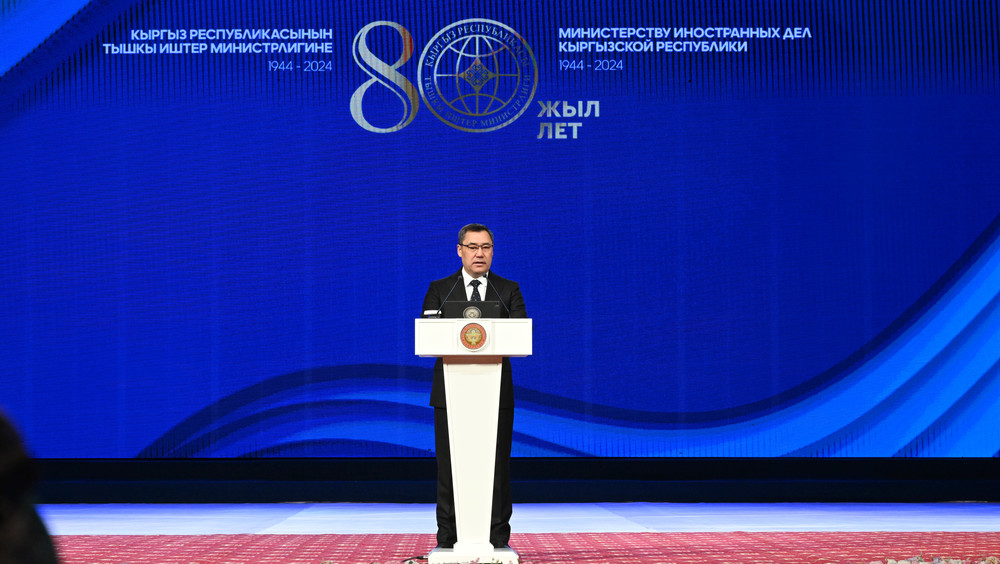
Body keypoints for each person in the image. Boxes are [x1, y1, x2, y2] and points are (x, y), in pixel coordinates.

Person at [421, 223, 527, 549]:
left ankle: (497, 537)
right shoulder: (441, 289)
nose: (479, 254)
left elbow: (520, 334)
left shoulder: (508, 289)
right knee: (450, 466)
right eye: (472, 247)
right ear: (460, 250)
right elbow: (429, 333)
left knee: (496, 466)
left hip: (495, 393)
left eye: (486, 247)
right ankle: (448, 537)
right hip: (451, 393)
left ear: (493, 251)